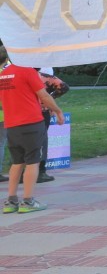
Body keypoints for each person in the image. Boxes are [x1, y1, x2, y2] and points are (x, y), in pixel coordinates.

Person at [1, 44, 65, 214]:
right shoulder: (28, 71)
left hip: (12, 124)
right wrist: (58, 111)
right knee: (32, 161)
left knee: (16, 162)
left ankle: (11, 201)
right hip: (31, 122)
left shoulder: (3, 74)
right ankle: (28, 201)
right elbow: (43, 95)